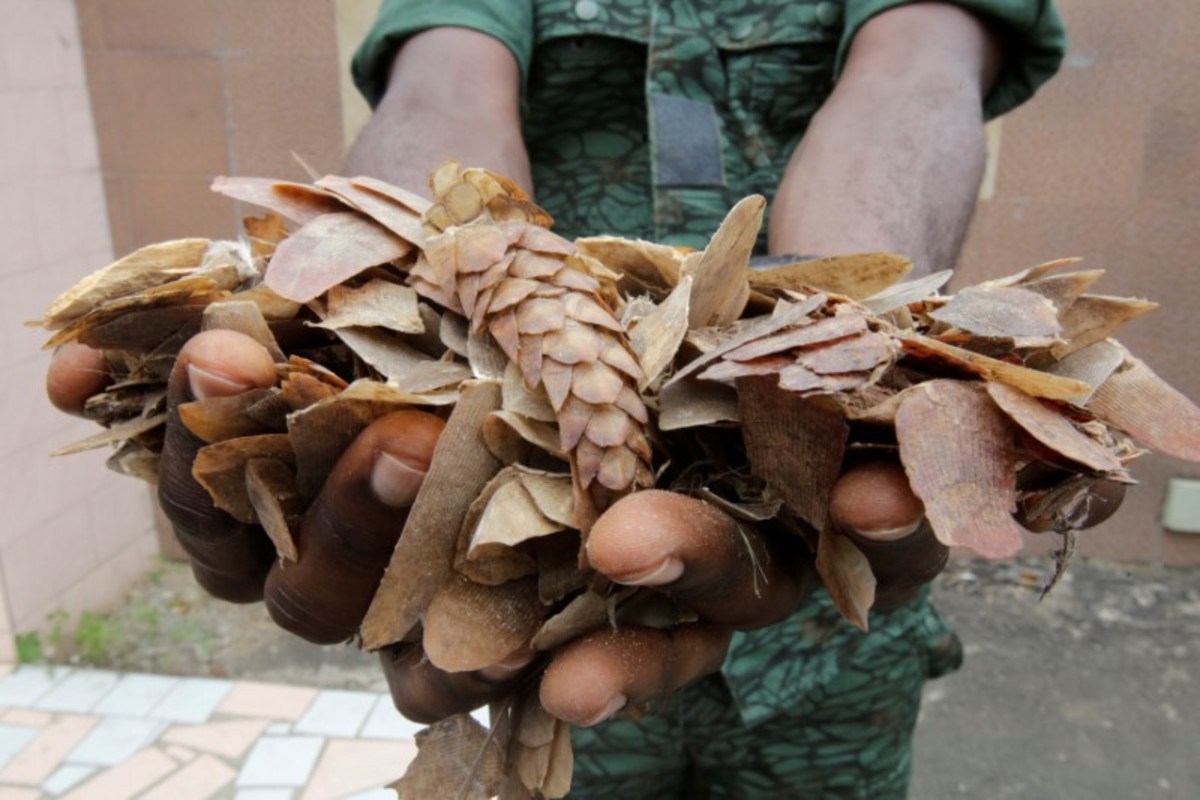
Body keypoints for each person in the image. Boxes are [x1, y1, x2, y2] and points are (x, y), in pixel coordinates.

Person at [47, 1, 1097, 796]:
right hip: (544, 586)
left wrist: (827, 359)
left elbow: (913, 73)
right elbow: (446, 82)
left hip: (833, 615)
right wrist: (396, 299)